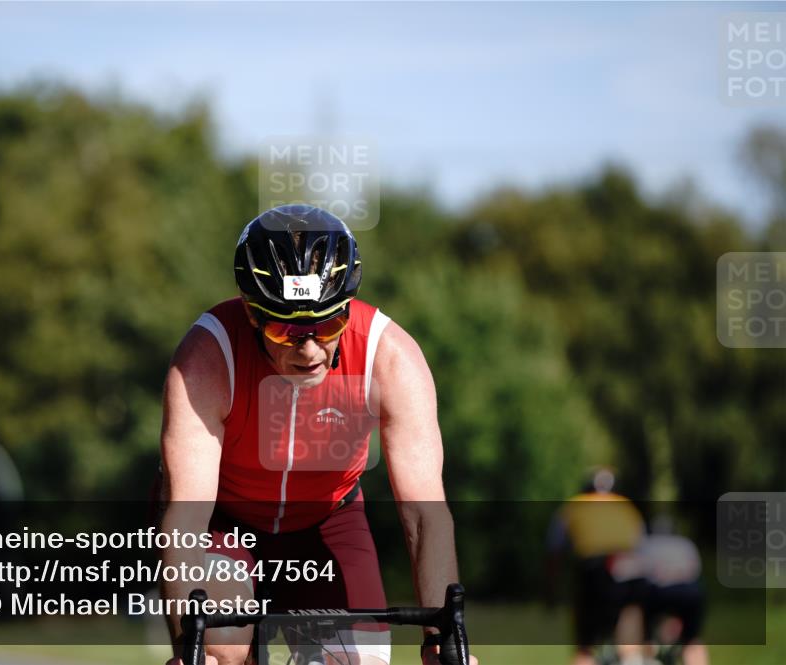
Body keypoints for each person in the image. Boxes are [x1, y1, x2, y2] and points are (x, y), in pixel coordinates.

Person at [157, 205, 473, 665]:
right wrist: (191, 648)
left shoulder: (390, 358)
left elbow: (425, 517)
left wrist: (442, 642)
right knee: (221, 646)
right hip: (224, 524)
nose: (308, 349)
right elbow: (184, 519)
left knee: (355, 661)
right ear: (251, 312)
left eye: (327, 324)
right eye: (285, 328)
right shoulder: (207, 358)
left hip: (328, 519)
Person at [546, 468, 648, 665]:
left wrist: (551, 591)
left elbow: (554, 552)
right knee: (629, 632)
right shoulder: (627, 506)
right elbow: (642, 546)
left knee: (586, 643)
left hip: (596, 569)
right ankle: (632, 657)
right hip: (633, 568)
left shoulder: (573, 507)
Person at [638, 516, 708, 665]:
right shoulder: (686, 544)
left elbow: (640, 574)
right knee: (692, 639)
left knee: (645, 631)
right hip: (690, 592)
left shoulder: (646, 544)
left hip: (659, 592)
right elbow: (694, 572)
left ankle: (648, 654)